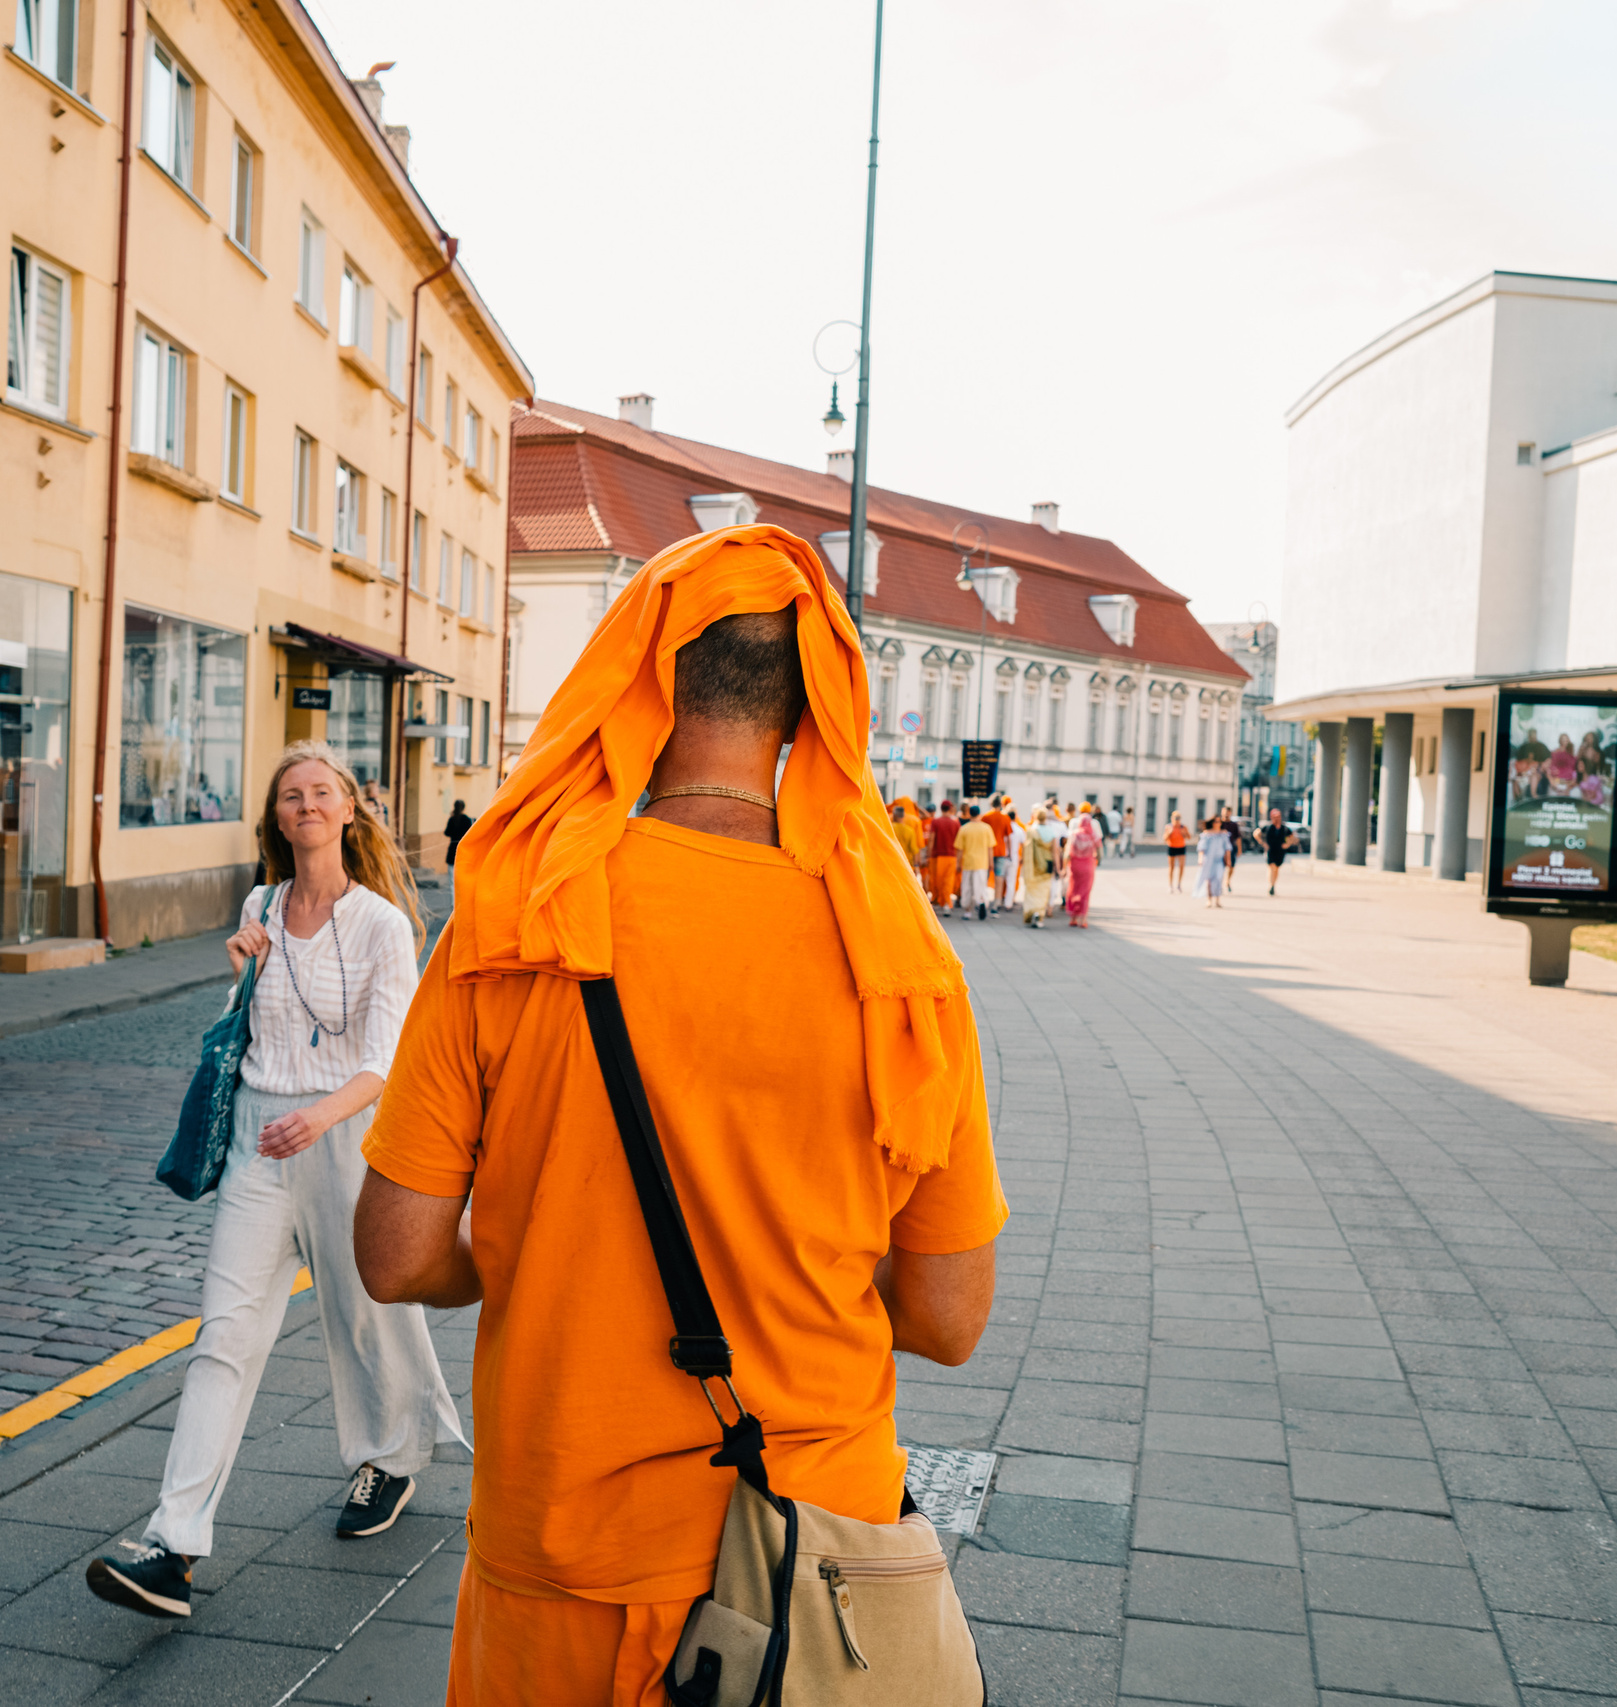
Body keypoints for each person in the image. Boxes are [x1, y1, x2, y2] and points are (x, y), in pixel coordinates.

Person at [351, 525, 1005, 1703]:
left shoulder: (515, 917)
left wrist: (532, 1249)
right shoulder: (901, 960)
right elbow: (948, 1317)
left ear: (640, 686)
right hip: (806, 1559)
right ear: (807, 710)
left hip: (563, 1547)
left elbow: (396, 1257)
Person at [88, 742, 465, 1621]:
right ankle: (173, 1544)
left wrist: (321, 1118)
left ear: (347, 810)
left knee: (367, 1314)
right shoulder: (258, 905)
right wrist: (240, 974)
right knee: (225, 1333)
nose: (306, 804)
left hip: (348, 1139)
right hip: (260, 1144)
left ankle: (392, 1458)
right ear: (277, 818)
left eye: (321, 791)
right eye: (291, 795)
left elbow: (388, 1057)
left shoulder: (382, 925)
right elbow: (248, 1029)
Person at [954, 803, 996, 922]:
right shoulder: (986, 828)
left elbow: (960, 849)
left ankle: (967, 911)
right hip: (982, 863)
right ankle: (981, 901)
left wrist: (958, 863)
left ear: (969, 814)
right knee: (980, 886)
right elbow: (990, 848)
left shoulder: (964, 829)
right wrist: (991, 862)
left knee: (967, 887)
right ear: (979, 814)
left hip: (968, 862)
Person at [1020, 804, 1058, 927]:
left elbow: (1026, 848)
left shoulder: (1031, 830)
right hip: (1047, 863)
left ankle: (1031, 912)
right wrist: (1058, 868)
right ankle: (1039, 913)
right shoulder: (1051, 831)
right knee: (1043, 890)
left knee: (1032, 889)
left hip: (1033, 863)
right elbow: (1055, 852)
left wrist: (1023, 862)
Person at [1064, 807, 1102, 927]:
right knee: (1085, 892)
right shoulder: (1093, 835)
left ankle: (1073, 918)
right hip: (1088, 866)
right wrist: (1097, 860)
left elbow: (1067, 852)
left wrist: (1064, 867)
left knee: (1074, 889)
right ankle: (1083, 919)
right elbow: (1100, 851)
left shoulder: (1074, 835)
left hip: (1075, 865)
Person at [926, 798, 961, 914]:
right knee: (948, 881)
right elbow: (959, 842)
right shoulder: (955, 823)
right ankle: (946, 903)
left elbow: (932, 839)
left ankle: (939, 901)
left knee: (937, 880)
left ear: (941, 809)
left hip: (937, 855)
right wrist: (959, 859)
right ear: (950, 809)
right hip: (952, 856)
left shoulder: (936, 822)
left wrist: (928, 854)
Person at [981, 799, 1015, 912]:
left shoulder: (986, 817)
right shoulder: (1005, 818)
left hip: (987, 851)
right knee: (999, 877)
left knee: (984, 877)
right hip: (1000, 850)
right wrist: (1010, 852)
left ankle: (983, 900)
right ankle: (997, 902)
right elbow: (1008, 837)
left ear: (991, 804)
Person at [1257, 807, 1293, 896]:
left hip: (1280, 851)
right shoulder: (1268, 827)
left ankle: (1273, 884)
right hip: (1270, 850)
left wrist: (1287, 844)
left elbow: (1292, 837)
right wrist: (1263, 843)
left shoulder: (1284, 828)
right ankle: (1271, 885)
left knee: (1276, 868)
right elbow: (1256, 834)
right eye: (1275, 817)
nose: (1277, 819)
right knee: (1272, 867)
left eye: (1278, 817)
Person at [1198, 815, 1231, 909]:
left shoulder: (1223, 834)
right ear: (1212, 823)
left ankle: (1217, 900)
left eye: (1219, 821)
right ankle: (1209, 899)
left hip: (1219, 860)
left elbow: (1227, 848)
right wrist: (1200, 858)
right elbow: (1202, 848)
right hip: (1209, 859)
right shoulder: (1207, 834)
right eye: (1216, 821)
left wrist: (1228, 860)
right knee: (1209, 880)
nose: (1218, 823)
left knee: (1219, 878)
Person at [889, 798, 926, 876]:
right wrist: (917, 865)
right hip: (907, 863)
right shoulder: (914, 822)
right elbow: (917, 847)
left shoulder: (888, 821)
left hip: (891, 862)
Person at [444, 799, 474, 890]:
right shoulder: (467, 820)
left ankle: (453, 899)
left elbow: (447, 832)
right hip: (463, 851)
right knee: (462, 879)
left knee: (452, 881)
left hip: (453, 850)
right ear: (463, 808)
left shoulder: (452, 819)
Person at [1164, 810, 1189, 893]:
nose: (1177, 820)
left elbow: (1189, 837)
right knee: (1171, 867)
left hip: (1181, 847)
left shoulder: (1183, 827)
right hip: (1172, 847)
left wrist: (1184, 833)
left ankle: (1179, 884)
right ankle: (1170, 885)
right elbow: (1164, 838)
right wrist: (1169, 833)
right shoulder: (1168, 827)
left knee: (1181, 866)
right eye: (1176, 818)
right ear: (1172, 818)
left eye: (1178, 818)